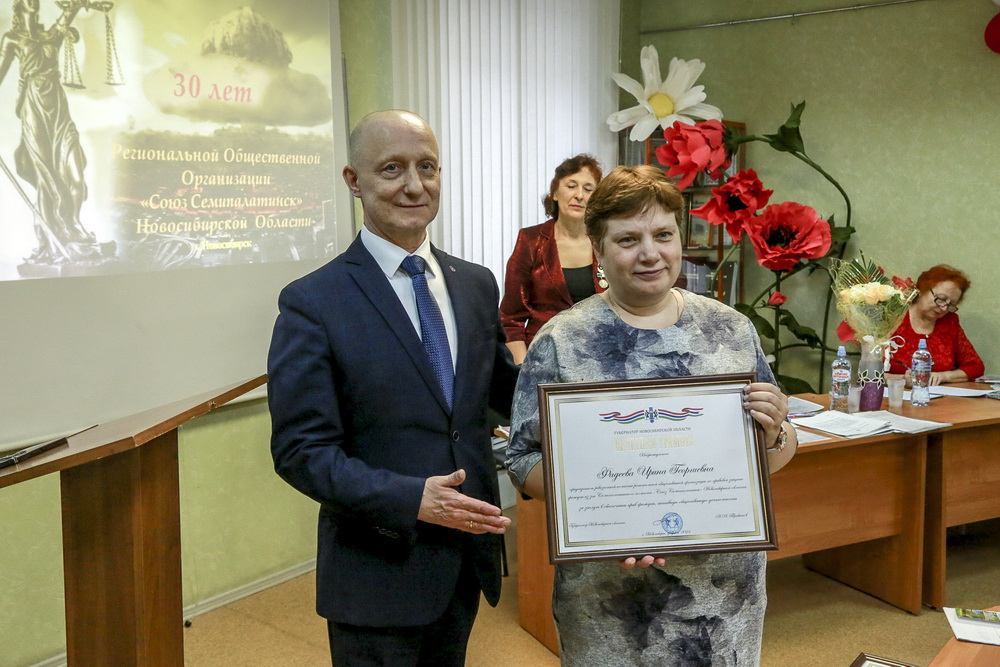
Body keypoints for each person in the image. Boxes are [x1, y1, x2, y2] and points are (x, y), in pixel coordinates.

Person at [505, 165, 798, 666]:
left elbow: (776, 449)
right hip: (612, 598)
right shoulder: (562, 339)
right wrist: (608, 516)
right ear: (598, 250)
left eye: (663, 235)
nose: (650, 253)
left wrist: (775, 432)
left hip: (722, 593)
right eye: (628, 239)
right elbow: (520, 457)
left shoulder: (730, 330)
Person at [267, 109, 519, 667]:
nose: (414, 185)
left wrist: (608, 397)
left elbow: (505, 394)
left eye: (427, 167)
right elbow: (300, 452)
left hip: (464, 558)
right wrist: (411, 499)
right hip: (376, 571)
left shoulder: (475, 284)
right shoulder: (313, 302)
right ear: (354, 181)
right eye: (391, 169)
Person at [0, 0, 101, 264]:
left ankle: (73, 224)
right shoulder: (12, 38)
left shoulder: (50, 35)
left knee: (75, 172)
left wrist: (81, 5)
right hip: (33, 107)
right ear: (19, 4)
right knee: (46, 177)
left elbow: (69, 13)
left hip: (58, 108)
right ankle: (50, 237)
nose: (33, 1)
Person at [500, 154, 605, 364]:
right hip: (542, 361)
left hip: (601, 359)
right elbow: (511, 320)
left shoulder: (607, 241)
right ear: (555, 192)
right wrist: (524, 371)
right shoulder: (531, 241)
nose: (579, 195)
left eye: (588, 189)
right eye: (571, 186)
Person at [886, 264, 984, 385]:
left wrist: (943, 376)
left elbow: (975, 366)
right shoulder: (892, 316)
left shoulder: (949, 322)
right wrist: (901, 379)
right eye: (941, 299)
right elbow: (869, 371)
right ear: (921, 290)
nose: (944, 308)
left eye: (950, 305)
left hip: (939, 395)